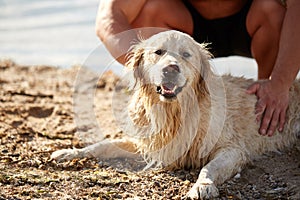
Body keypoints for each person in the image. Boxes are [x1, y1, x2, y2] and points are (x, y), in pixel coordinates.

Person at [95, 0, 300, 137]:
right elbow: (108, 18)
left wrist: (280, 82)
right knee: (152, 9)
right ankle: (166, 107)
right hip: (184, 28)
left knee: (273, 7)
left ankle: (266, 106)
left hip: (257, 22)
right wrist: (144, 65)